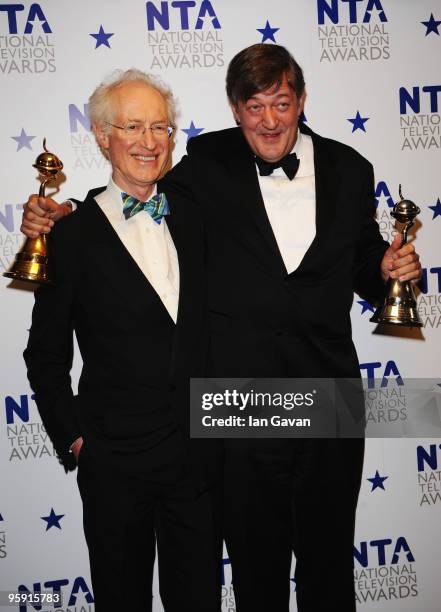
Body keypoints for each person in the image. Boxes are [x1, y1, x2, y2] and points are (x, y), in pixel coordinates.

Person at [21, 45, 421, 612]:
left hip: (330, 399)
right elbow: (132, 195)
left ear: (302, 100)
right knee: (256, 570)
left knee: (330, 566)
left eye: (282, 103)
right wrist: (57, 218)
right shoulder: (205, 164)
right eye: (254, 106)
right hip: (239, 406)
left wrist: (387, 270)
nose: (270, 120)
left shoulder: (351, 168)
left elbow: (362, 259)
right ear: (235, 109)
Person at [23, 69, 222, 612]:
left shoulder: (199, 214)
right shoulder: (69, 234)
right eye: (132, 126)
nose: (149, 141)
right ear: (101, 135)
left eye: (160, 126)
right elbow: (44, 354)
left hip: (197, 461)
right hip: (115, 463)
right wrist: (77, 439)